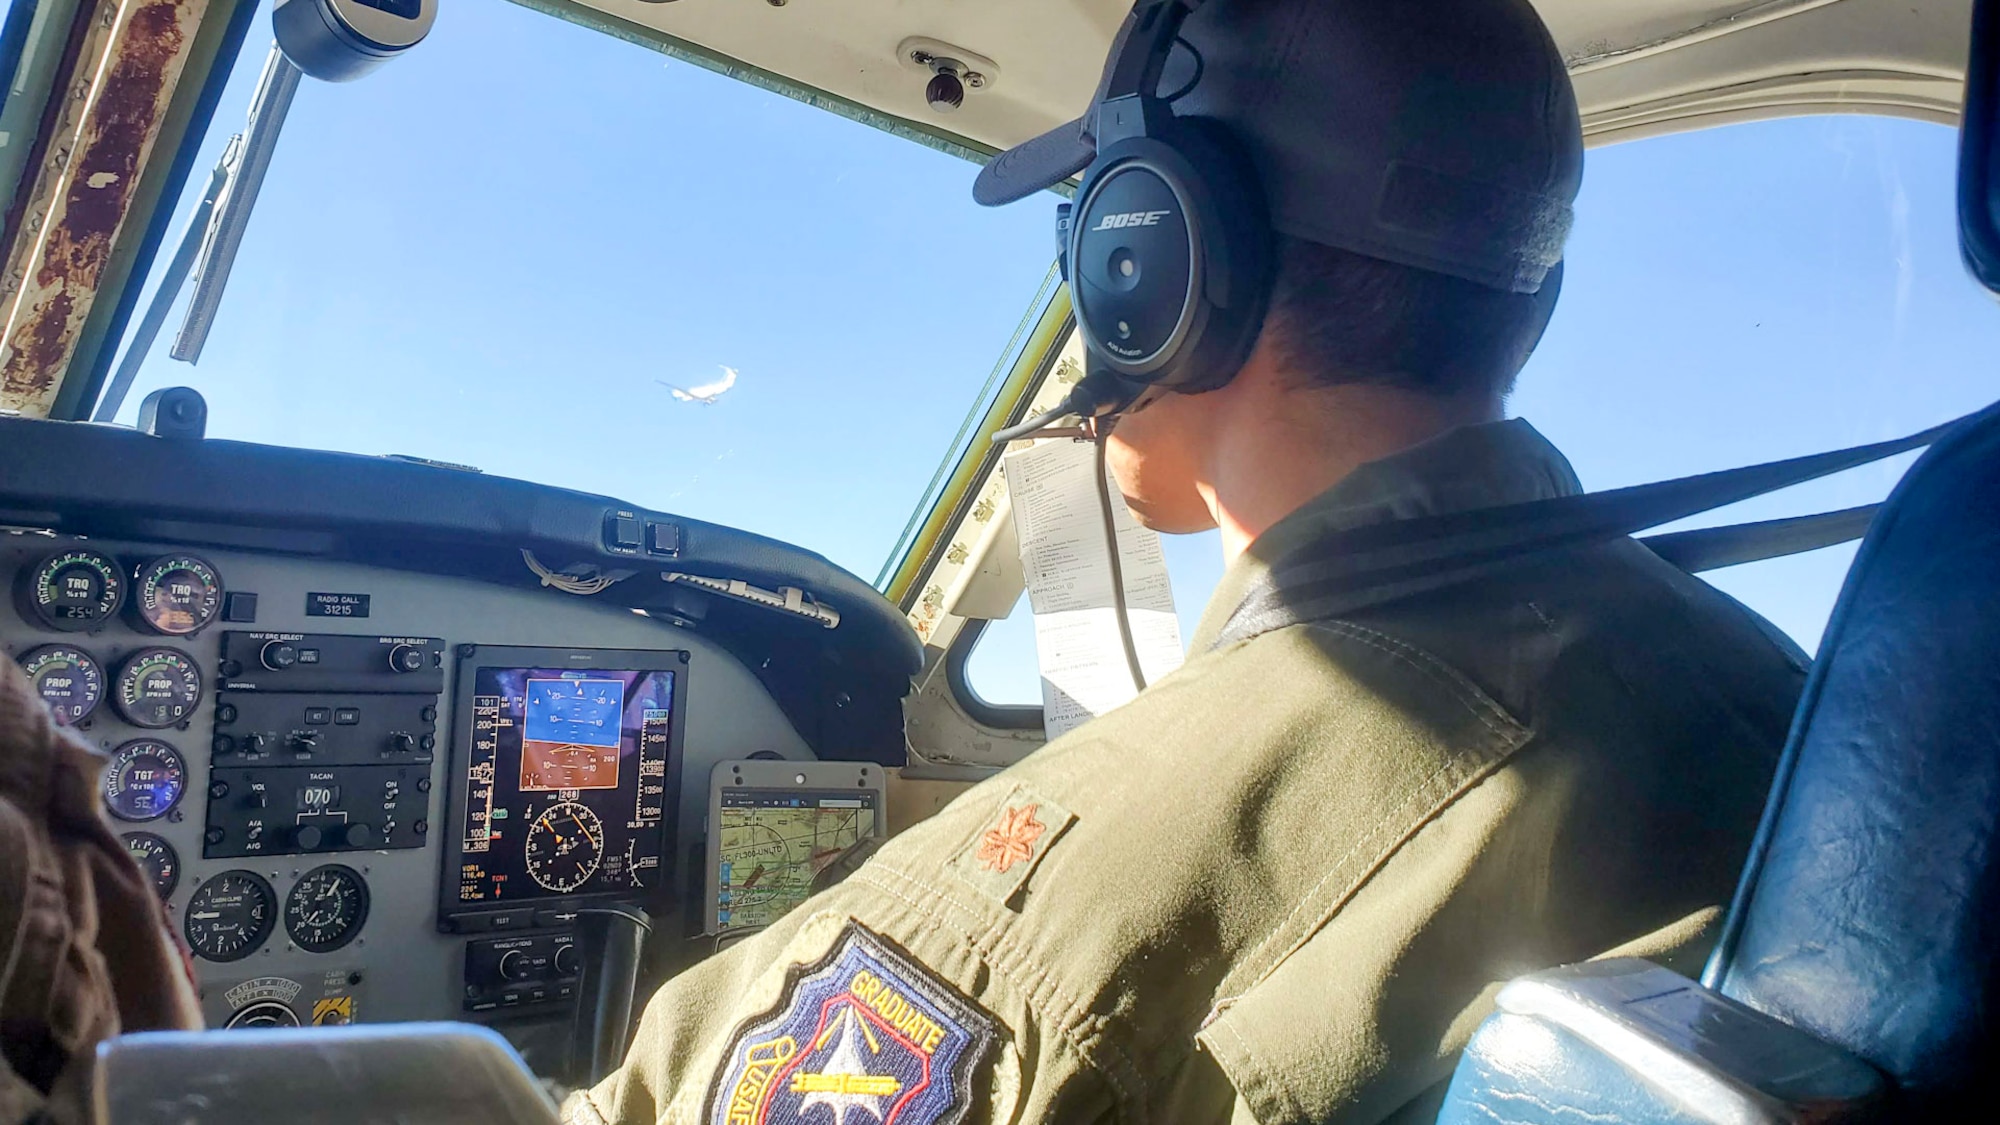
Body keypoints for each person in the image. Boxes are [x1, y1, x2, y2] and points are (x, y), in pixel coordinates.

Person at [568, 1, 1806, 1122]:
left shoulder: (1126, 855)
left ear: (1146, 262)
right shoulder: (1771, 694)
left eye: (1087, 227)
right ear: (1523, 305)